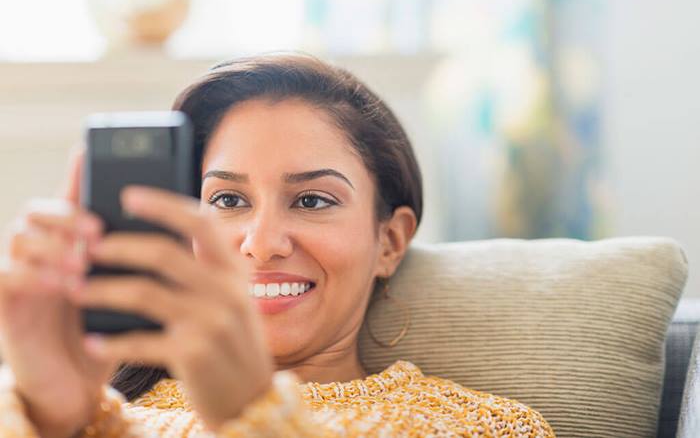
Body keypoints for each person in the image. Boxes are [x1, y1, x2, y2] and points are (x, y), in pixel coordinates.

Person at [0, 53, 555, 437]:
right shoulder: (86, 411)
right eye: (226, 200)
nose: (261, 244)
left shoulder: (482, 425)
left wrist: (249, 413)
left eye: (312, 200)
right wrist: (51, 418)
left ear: (390, 241)